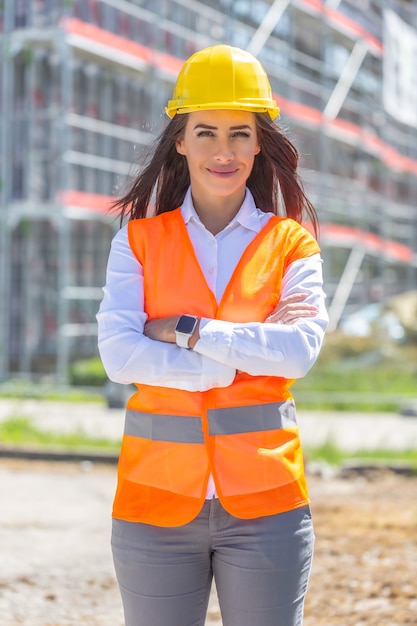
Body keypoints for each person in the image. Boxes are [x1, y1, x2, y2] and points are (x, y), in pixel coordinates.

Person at [97, 44, 328, 626]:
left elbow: (297, 351)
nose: (222, 151)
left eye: (238, 134)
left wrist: (187, 331)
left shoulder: (291, 245)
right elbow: (120, 354)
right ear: (180, 140)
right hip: (154, 502)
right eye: (205, 132)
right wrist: (232, 358)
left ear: (259, 142)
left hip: (267, 504)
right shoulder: (139, 241)